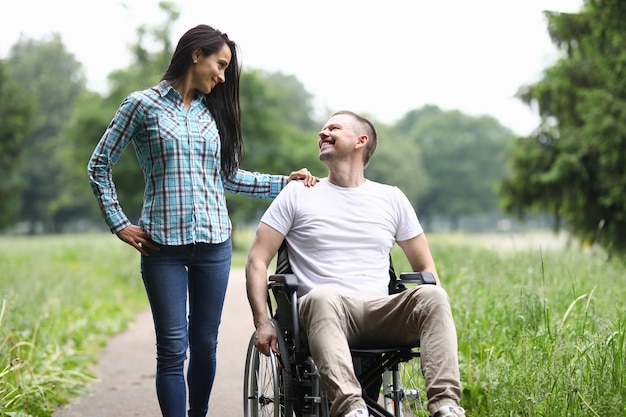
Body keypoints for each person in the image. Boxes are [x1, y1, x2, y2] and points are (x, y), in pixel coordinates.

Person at [87, 24, 318, 417]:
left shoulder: (213, 113)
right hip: (162, 248)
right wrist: (119, 222)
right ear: (197, 55)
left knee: (205, 343)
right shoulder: (142, 105)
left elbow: (228, 176)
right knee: (173, 347)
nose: (223, 76)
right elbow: (99, 165)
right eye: (220, 64)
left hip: (214, 245)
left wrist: (286, 182)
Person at [245, 110, 465, 417]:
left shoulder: (391, 198)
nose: (322, 133)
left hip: (380, 310)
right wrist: (262, 320)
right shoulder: (297, 193)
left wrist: (427, 305)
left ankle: (446, 406)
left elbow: (426, 267)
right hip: (324, 310)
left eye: (333, 128)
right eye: (322, 129)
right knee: (323, 295)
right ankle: (351, 410)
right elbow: (257, 259)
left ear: (361, 141)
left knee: (434, 295)